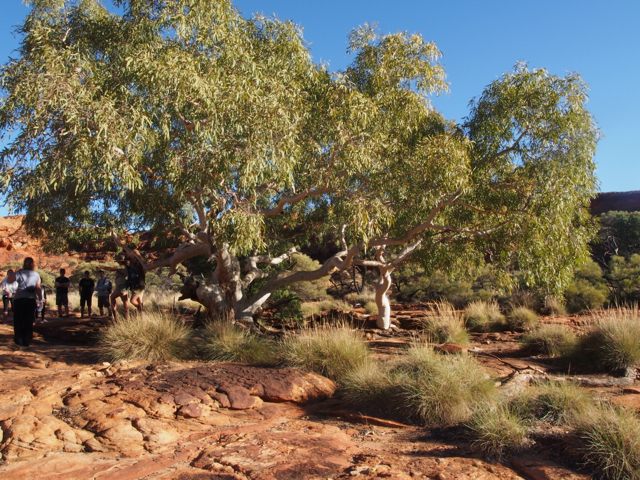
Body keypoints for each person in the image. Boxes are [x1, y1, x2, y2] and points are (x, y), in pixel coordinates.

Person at [12, 257, 42, 348]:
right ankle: (27, 340)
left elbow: (9, 280)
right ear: (33, 264)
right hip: (31, 299)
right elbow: (38, 288)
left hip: (19, 299)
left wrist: (16, 272)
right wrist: (41, 299)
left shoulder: (19, 273)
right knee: (29, 319)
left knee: (18, 319)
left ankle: (19, 340)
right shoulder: (36, 275)